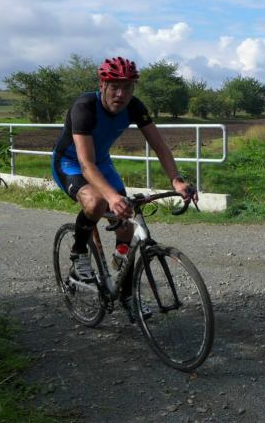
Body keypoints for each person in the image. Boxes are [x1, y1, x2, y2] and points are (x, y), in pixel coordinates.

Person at [51, 56, 197, 319]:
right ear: (102, 85)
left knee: (128, 226)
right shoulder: (84, 107)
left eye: (127, 87)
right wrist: (110, 196)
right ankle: (79, 251)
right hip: (72, 164)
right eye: (115, 87)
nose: (121, 94)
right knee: (96, 202)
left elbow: (160, 146)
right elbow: (86, 165)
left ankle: (125, 290)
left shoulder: (134, 107)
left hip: (102, 163)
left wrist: (176, 179)